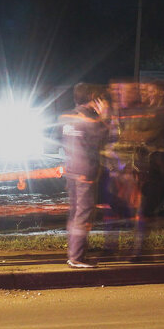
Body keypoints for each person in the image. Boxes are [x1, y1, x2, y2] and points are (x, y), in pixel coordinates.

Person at [60, 84, 110, 269]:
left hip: (71, 171)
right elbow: (106, 137)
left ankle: (75, 254)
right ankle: (77, 257)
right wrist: (105, 115)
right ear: (92, 98)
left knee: (74, 214)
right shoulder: (90, 122)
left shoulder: (66, 118)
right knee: (83, 215)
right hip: (85, 173)